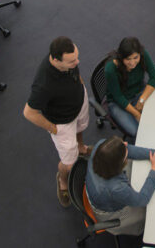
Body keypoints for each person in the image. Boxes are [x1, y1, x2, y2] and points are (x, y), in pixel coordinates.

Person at [23, 37, 91, 207]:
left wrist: (80, 84)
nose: (77, 62)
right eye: (72, 61)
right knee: (68, 164)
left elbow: (75, 70)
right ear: (55, 60)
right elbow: (29, 113)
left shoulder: (69, 60)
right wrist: (53, 129)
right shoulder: (44, 84)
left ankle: (81, 147)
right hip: (62, 121)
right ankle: (62, 181)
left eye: (77, 57)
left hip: (78, 103)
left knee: (81, 127)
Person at [85, 136, 155, 235]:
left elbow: (127, 149)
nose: (126, 143)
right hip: (109, 212)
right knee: (147, 213)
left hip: (97, 191)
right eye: (125, 149)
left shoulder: (101, 146)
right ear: (119, 164)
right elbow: (142, 200)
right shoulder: (117, 188)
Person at [103, 37, 155, 137]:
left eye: (135, 58)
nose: (132, 63)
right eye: (128, 59)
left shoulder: (143, 54)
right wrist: (136, 114)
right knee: (137, 133)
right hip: (118, 103)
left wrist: (142, 100)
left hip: (138, 92)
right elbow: (118, 97)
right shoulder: (111, 69)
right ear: (121, 57)